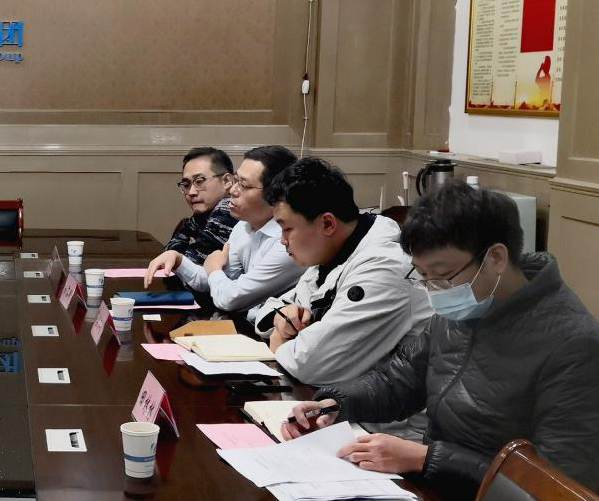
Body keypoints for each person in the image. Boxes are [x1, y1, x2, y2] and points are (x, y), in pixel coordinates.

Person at [282, 182, 599, 501]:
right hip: (441, 498)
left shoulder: (576, 347)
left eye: (443, 275)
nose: (434, 290)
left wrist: (425, 458)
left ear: (496, 258)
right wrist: (336, 404)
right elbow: (398, 380)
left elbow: (556, 486)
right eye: (423, 277)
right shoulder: (466, 307)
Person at [252, 157, 430, 385]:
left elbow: (310, 364)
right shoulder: (333, 253)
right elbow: (269, 311)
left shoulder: (385, 267)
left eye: (287, 228)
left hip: (395, 405)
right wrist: (283, 318)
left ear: (327, 223)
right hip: (343, 395)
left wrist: (279, 341)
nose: (282, 240)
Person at [168, 145, 305, 325]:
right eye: (236, 181)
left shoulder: (289, 241)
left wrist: (214, 269)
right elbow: (213, 282)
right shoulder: (243, 226)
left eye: (243, 185)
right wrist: (178, 260)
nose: (232, 190)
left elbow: (230, 299)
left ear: (275, 194)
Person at [144, 147, 238, 279]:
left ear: (227, 181)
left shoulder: (229, 209)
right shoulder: (203, 214)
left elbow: (191, 263)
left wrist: (183, 253)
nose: (191, 192)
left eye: (199, 181)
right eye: (186, 184)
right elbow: (170, 251)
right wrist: (180, 255)